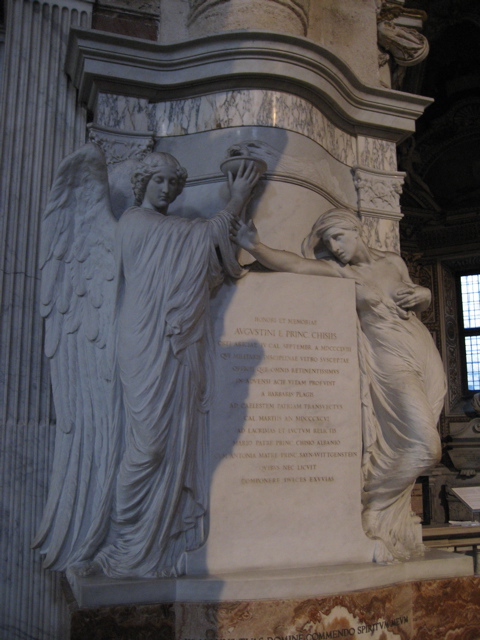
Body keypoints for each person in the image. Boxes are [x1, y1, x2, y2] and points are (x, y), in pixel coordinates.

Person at [72, 153, 259, 578]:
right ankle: (123, 542)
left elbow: (206, 261)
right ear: (142, 182)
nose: (167, 191)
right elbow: (196, 241)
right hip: (143, 337)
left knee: (176, 438)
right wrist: (238, 199)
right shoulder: (135, 223)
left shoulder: (170, 229)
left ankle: (155, 544)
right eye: (159, 181)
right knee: (148, 444)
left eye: (174, 184)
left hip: (176, 340)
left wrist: (237, 205)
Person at [231, 209, 446, 562]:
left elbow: (415, 296)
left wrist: (423, 294)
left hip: (422, 350)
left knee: (422, 435)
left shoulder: (393, 261)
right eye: (327, 241)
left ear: (356, 231)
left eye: (338, 237)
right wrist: (255, 245)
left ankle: (389, 513)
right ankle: (373, 508)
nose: (333, 247)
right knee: (426, 446)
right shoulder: (339, 273)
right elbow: (295, 265)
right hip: (390, 359)